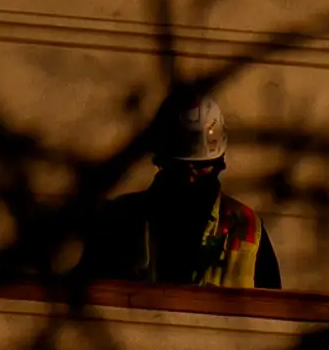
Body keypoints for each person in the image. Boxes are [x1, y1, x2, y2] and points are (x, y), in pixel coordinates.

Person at [82, 100, 280, 288]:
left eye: (200, 166)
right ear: (162, 162)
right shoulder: (120, 219)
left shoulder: (248, 227)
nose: (191, 178)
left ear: (220, 163)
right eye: (181, 167)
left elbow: (274, 314)